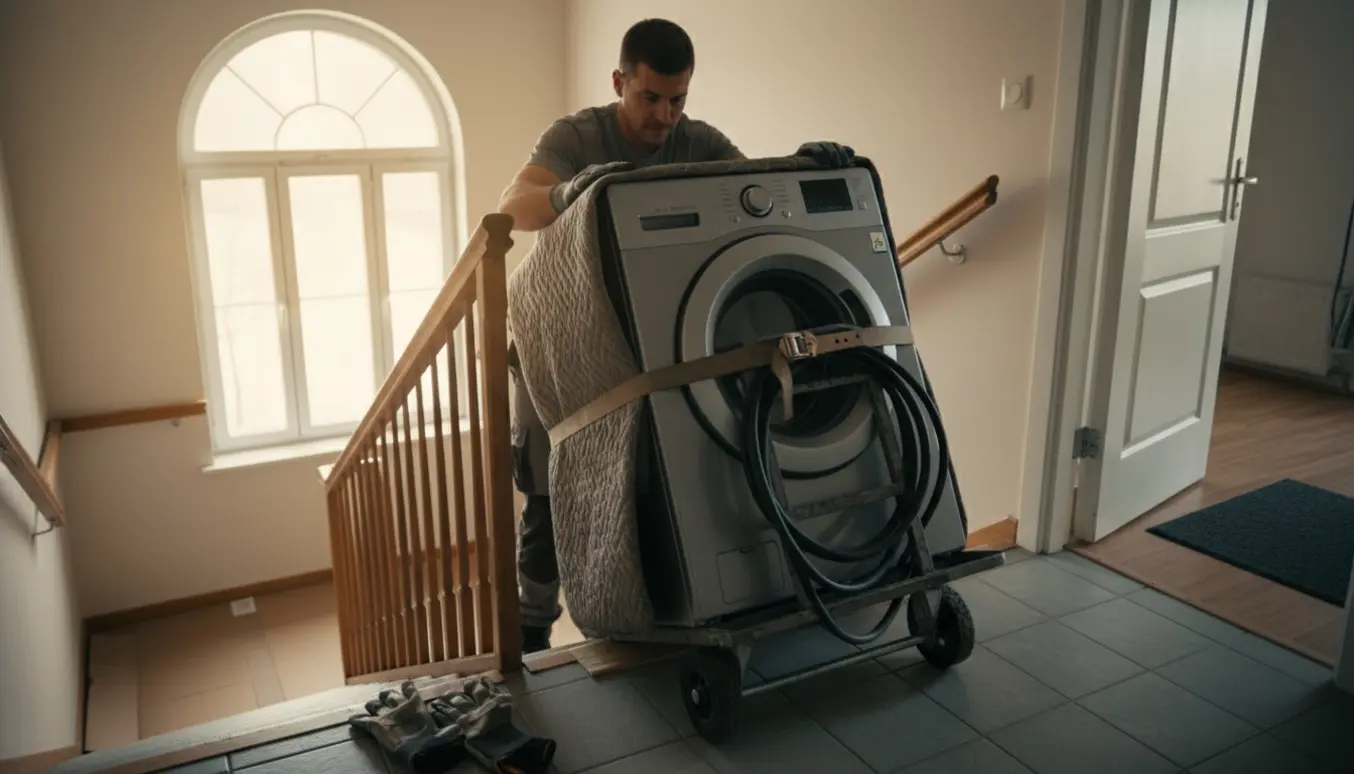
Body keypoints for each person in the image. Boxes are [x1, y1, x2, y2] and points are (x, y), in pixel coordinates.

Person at [498, 17, 857, 654]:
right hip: (555, 343)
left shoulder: (698, 140)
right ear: (620, 82)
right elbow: (514, 204)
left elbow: (759, 191)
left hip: (638, 342)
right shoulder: (577, 134)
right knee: (552, 490)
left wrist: (807, 167)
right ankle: (529, 631)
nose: (665, 115)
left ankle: (634, 616)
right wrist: (567, 194)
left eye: (678, 99)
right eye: (650, 98)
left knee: (638, 475)